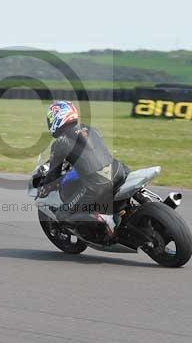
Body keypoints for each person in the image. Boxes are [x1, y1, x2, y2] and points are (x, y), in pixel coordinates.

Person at [39, 101, 128, 239]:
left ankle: (103, 219)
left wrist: (45, 188)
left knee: (62, 215)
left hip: (97, 185)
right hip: (119, 170)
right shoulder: (91, 129)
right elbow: (91, 155)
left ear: (58, 118)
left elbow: (54, 178)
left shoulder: (60, 143)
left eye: (50, 119)